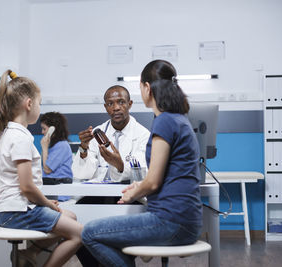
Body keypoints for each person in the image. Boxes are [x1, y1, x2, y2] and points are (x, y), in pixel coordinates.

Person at [81, 60, 203, 267]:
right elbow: (162, 176)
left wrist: (133, 192)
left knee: (88, 233)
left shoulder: (163, 121)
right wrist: (139, 185)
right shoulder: (178, 119)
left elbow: (153, 183)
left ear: (147, 87)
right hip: (186, 219)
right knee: (113, 239)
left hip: (170, 221)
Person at [0, 70, 83, 267]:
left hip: (11, 209)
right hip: (18, 212)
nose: (40, 108)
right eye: (40, 103)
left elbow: (24, 187)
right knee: (79, 233)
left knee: (71, 216)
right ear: (29, 104)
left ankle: (31, 253)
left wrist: (43, 202)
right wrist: (47, 204)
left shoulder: (9, 133)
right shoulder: (21, 137)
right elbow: (26, 187)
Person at [72, 85, 150, 183]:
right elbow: (82, 174)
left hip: (129, 193)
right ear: (105, 107)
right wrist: (83, 148)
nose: (116, 108)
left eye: (121, 102)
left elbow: (142, 174)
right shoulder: (98, 132)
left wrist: (120, 165)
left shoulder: (143, 135)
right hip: (99, 192)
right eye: (110, 104)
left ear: (129, 104)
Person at [40, 112, 73, 186]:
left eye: (44, 129)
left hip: (58, 192)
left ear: (53, 129)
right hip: (52, 188)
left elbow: (47, 169)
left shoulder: (62, 146)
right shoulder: (55, 146)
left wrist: (44, 148)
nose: (42, 132)